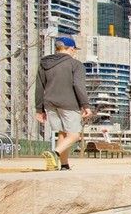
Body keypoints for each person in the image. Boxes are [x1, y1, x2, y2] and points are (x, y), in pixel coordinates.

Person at [35, 37, 92, 171]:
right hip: (69, 103)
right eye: (74, 50)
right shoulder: (75, 64)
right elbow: (78, 85)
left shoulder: (45, 64)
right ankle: (54, 153)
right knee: (74, 134)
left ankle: (64, 164)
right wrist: (85, 105)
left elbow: (39, 86)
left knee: (63, 133)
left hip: (49, 103)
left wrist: (39, 109)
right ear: (71, 48)